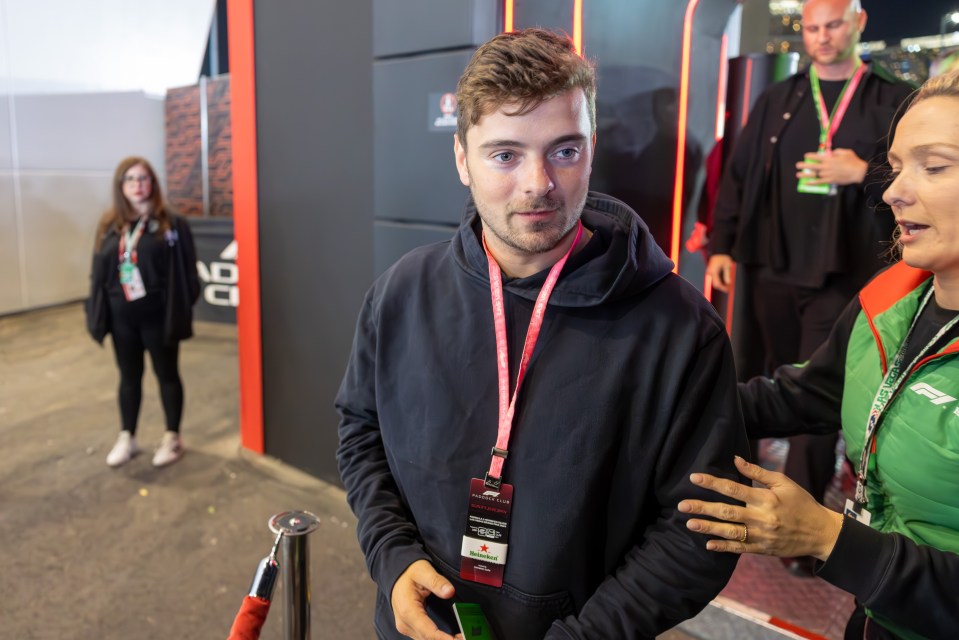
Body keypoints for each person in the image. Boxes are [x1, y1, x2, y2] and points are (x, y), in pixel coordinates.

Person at [336, 28, 749, 640]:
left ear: (592, 148)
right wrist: (393, 558)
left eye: (564, 150)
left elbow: (699, 529)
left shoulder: (680, 329)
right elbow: (360, 430)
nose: (538, 184)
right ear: (461, 160)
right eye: (505, 155)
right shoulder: (401, 294)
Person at [680, 69, 959, 640]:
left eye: (934, 166)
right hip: (876, 613)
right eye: (898, 166)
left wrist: (828, 539)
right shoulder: (892, 298)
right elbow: (805, 395)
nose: (892, 191)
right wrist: (659, 402)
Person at [705, 0, 915, 574]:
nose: (822, 38)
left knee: (816, 393)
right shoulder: (780, 98)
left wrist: (863, 172)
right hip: (770, 265)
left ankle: (798, 534)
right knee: (757, 375)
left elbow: (922, 176)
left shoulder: (892, 99)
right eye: (813, 28)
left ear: (859, 24)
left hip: (845, 275)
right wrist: (721, 245)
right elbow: (738, 173)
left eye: (834, 26)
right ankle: (727, 493)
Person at [85, 156, 200, 468]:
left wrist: (178, 310)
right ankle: (128, 437)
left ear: (153, 184)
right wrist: (96, 312)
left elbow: (188, 274)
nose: (137, 185)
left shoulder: (170, 224)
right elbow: (99, 271)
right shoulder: (110, 225)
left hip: (158, 317)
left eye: (143, 178)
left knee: (166, 375)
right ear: (121, 186)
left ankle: (172, 437)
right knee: (128, 377)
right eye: (130, 179)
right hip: (121, 317)